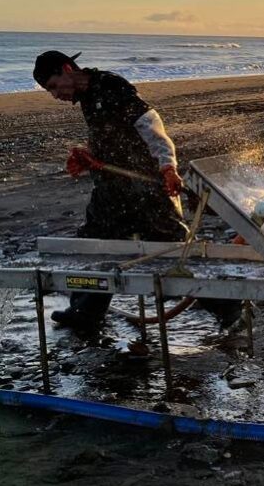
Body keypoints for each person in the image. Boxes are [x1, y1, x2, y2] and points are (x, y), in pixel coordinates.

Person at [32, 49, 242, 333]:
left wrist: (168, 167)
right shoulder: (88, 97)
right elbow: (114, 137)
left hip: (146, 192)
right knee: (93, 246)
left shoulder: (111, 87)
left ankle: (228, 307)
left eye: (54, 86)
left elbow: (151, 125)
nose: (56, 95)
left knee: (173, 251)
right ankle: (85, 311)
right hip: (113, 193)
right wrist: (90, 156)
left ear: (67, 69)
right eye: (50, 91)